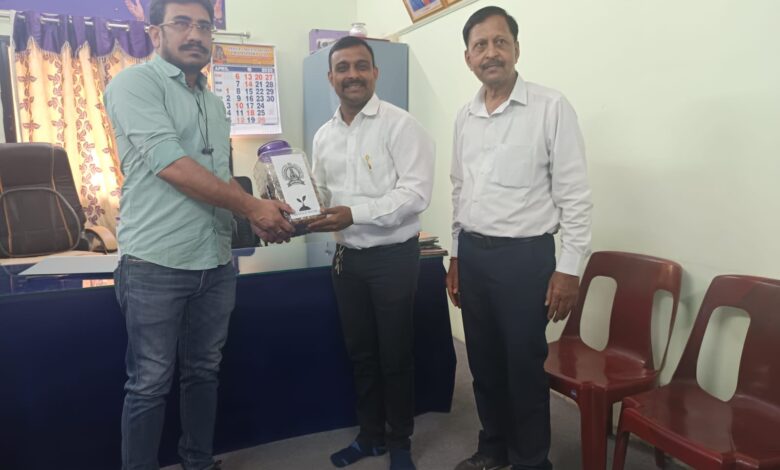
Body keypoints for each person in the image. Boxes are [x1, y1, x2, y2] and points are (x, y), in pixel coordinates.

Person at [103, 0, 294, 469]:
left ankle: (198, 461)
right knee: (149, 382)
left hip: (215, 259)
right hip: (155, 263)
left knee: (204, 372)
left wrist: (255, 218)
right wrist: (252, 206)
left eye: (205, 26)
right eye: (182, 23)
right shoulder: (133, 84)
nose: (195, 34)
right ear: (155, 34)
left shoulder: (213, 102)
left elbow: (219, 176)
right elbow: (172, 165)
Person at [446, 6, 593, 470]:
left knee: (524, 365)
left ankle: (531, 460)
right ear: (468, 57)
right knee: (483, 364)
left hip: (525, 259)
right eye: (480, 45)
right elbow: (458, 190)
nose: (491, 52)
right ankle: (493, 447)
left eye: (500, 42)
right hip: (474, 255)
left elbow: (575, 196)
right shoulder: (465, 117)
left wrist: (569, 269)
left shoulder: (551, 107)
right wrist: (456, 257)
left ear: (516, 48)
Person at [307, 36, 435, 470]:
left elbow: (415, 195)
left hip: (393, 259)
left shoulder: (401, 126)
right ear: (331, 78)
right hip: (347, 260)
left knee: (395, 355)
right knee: (361, 354)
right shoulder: (323, 135)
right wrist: (298, 210)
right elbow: (321, 194)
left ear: (375, 73)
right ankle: (370, 436)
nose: (353, 75)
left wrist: (354, 213)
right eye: (343, 68)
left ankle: (400, 443)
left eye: (361, 66)